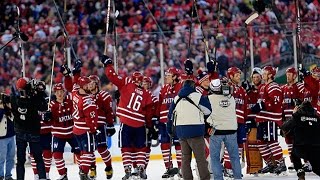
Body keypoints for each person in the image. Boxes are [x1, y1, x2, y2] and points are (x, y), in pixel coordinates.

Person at [100, 55, 154, 180]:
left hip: (126, 123)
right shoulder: (147, 94)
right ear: (140, 81)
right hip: (140, 124)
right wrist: (150, 125)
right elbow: (149, 112)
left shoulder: (127, 83)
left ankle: (128, 169)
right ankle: (141, 167)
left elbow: (112, 76)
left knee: (126, 148)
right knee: (141, 148)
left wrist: (108, 65)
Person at [167, 79, 212, 180]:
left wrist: (169, 130)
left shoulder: (176, 98)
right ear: (193, 87)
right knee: (200, 159)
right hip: (196, 131)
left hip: (181, 132)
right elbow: (208, 110)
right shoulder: (197, 96)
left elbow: (170, 116)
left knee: (185, 160)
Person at [10, 77, 48, 180]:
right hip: (33, 131)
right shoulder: (34, 98)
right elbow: (44, 107)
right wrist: (40, 92)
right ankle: (42, 178)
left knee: (20, 160)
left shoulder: (14, 99)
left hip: (20, 131)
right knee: (38, 158)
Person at [251, 66, 286, 174]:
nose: (263, 75)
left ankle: (281, 164)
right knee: (260, 143)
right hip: (262, 119)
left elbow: (275, 103)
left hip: (270, 119)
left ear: (270, 75)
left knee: (271, 142)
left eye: (265, 73)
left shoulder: (274, 87)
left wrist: (261, 106)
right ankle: (270, 164)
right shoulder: (263, 87)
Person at [207, 79, 242, 180]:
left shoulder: (209, 98)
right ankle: (238, 178)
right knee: (234, 157)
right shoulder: (231, 98)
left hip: (216, 130)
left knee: (215, 158)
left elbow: (207, 114)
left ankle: (218, 178)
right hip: (231, 130)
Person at [46, 83, 81, 180]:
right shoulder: (51, 105)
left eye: (61, 92)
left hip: (72, 132)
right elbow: (45, 119)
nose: (60, 94)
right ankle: (63, 174)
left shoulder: (70, 101)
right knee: (57, 155)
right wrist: (47, 117)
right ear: (54, 93)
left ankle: (83, 171)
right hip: (58, 134)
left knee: (79, 152)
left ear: (64, 92)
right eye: (57, 92)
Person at [281, 101, 320, 179]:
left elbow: (284, 127)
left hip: (301, 148)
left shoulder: (297, 116)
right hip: (316, 149)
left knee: (294, 155)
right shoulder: (317, 118)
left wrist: (294, 114)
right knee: (316, 167)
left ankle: (300, 174)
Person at [157, 67, 183, 178]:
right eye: (166, 75)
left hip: (178, 121)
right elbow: (159, 104)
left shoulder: (181, 87)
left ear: (175, 77)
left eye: (169, 75)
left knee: (179, 145)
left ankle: (181, 169)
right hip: (164, 122)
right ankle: (169, 168)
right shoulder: (163, 89)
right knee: (165, 146)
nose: (166, 77)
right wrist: (157, 119)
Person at [88, 75, 115, 179]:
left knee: (102, 149)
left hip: (100, 125)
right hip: (89, 126)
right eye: (88, 83)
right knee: (89, 150)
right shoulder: (85, 96)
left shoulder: (104, 96)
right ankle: (92, 169)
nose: (89, 85)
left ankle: (108, 167)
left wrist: (110, 125)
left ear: (96, 84)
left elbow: (109, 112)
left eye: (92, 83)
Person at [71, 76, 98, 180]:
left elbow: (73, 86)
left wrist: (76, 73)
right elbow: (91, 118)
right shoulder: (87, 100)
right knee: (88, 153)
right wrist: (94, 129)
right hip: (85, 130)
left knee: (82, 153)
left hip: (76, 129)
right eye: (87, 84)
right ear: (82, 86)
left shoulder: (75, 94)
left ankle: (82, 170)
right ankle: (84, 173)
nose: (89, 86)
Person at [0, 94, 15, 180]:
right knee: (1, 157)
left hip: (11, 136)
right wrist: (1, 109)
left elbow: (13, 118)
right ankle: (1, 175)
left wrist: (10, 107)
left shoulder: (9, 109)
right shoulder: (1, 109)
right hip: (2, 137)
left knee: (11, 157)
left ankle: (8, 175)